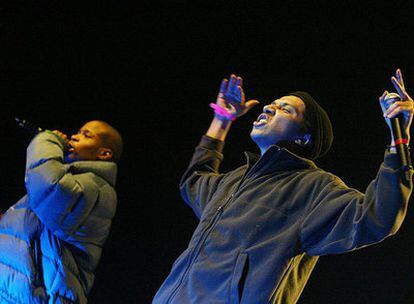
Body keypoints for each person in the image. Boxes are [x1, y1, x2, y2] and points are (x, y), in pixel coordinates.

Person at [152, 69, 413, 304]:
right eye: (272, 104)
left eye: (285, 109)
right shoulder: (235, 180)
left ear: (303, 137)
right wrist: (221, 120)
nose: (267, 108)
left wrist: (398, 135)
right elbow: (194, 180)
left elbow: (376, 216)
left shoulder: (313, 188)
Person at [0, 120, 123, 304]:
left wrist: (48, 140)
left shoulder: (97, 189)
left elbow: (47, 186)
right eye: (78, 132)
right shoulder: (76, 181)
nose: (74, 136)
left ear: (104, 154)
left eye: (86, 135)